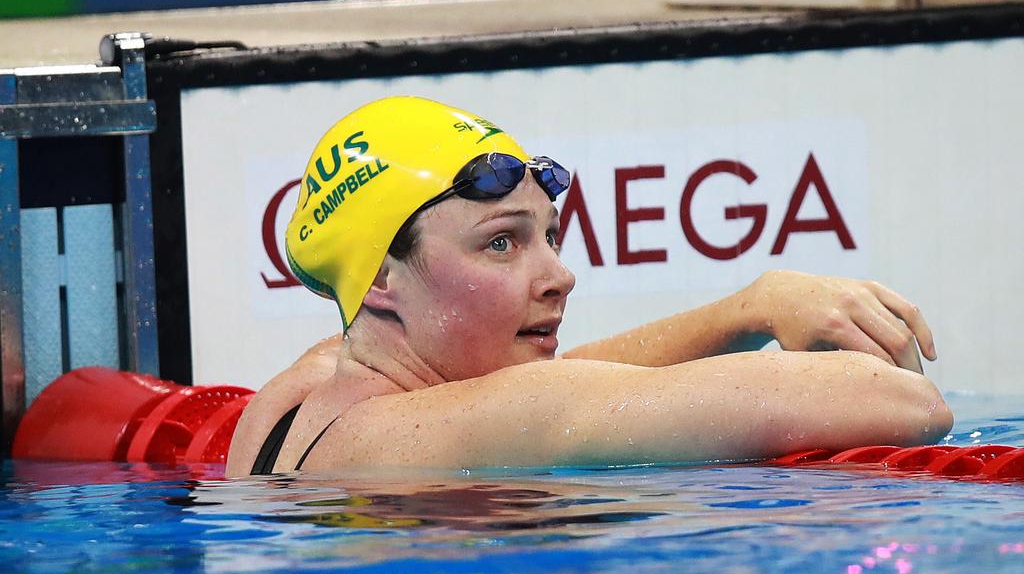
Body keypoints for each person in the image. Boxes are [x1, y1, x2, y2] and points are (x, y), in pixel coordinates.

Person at [225, 96, 952, 476]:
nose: (560, 276)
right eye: (501, 243)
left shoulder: (296, 395)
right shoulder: (470, 424)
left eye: (551, 236)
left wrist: (749, 309)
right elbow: (906, 404)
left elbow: (555, 387)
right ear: (383, 277)